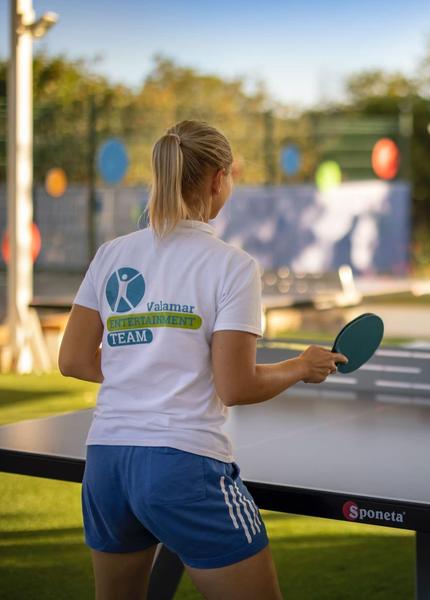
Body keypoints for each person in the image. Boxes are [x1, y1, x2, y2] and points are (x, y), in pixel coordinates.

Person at [58, 120, 346, 600]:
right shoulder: (233, 266)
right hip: (183, 467)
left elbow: (72, 359)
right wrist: (300, 365)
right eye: (231, 176)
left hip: (106, 463)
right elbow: (235, 386)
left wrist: (146, 364)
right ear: (218, 179)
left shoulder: (111, 254)